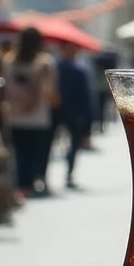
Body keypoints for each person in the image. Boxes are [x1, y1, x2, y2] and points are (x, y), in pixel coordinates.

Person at [5, 27, 59, 196]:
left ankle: (22, 185)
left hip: (14, 114)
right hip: (38, 116)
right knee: (36, 152)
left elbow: (4, 88)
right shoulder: (45, 63)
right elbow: (50, 93)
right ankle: (34, 181)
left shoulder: (9, 61)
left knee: (19, 152)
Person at [54, 41, 94, 189]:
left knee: (74, 145)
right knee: (46, 145)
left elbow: (86, 96)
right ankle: (41, 175)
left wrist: (88, 121)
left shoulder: (81, 70)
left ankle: (69, 173)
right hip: (55, 112)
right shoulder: (54, 68)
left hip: (75, 113)